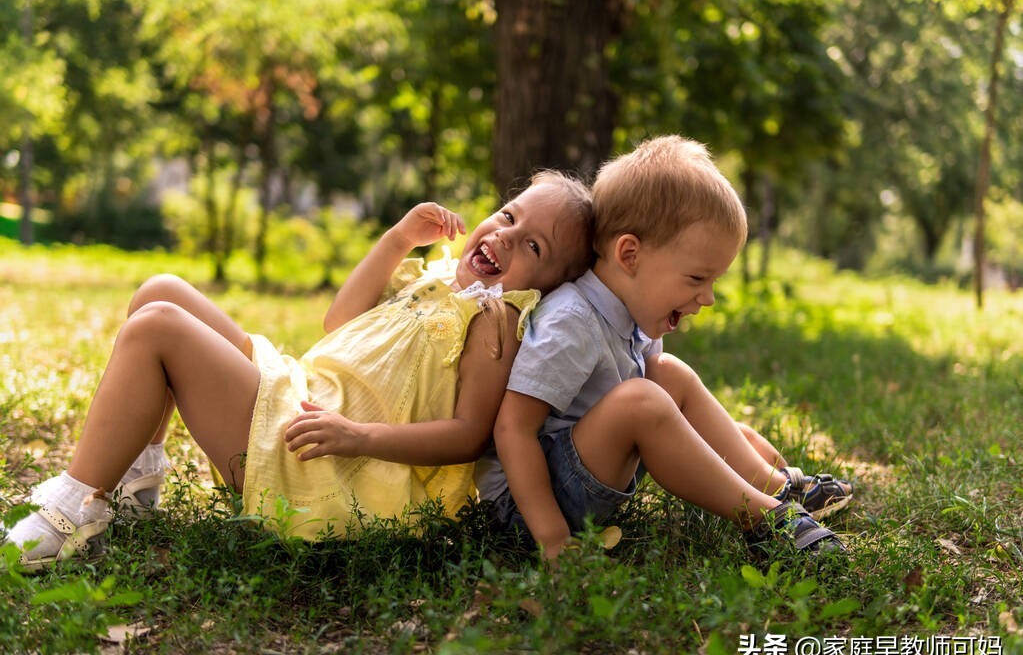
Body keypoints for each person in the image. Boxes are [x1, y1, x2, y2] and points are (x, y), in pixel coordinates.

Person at [4, 170, 595, 570]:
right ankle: (134, 487)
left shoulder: (496, 323)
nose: (506, 237)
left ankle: (74, 510)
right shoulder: (441, 278)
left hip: (319, 456)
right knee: (161, 291)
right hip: (300, 394)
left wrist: (358, 436)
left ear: (548, 288)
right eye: (509, 215)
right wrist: (396, 240)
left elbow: (468, 435)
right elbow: (338, 321)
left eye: (535, 248)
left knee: (157, 326)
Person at [485, 136, 851, 561]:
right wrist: (551, 538)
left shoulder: (635, 311)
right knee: (641, 400)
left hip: (576, 474)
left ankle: (776, 487)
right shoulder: (572, 320)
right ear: (630, 255)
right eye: (697, 279)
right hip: (526, 506)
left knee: (667, 373)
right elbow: (513, 429)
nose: (708, 297)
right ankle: (766, 520)